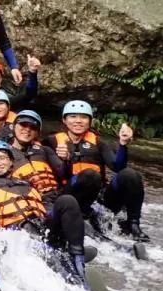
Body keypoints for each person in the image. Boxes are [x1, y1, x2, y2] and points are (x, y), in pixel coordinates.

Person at [0, 141, 112, 291]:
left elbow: (43, 207)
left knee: (67, 200)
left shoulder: (26, 183)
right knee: (51, 253)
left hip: (45, 230)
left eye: (2, 158)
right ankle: (78, 284)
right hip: (20, 237)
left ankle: (78, 262)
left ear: (11, 161)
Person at [45, 101, 149, 243]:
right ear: (64, 120)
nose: (78, 121)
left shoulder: (99, 143)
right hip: (70, 194)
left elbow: (117, 167)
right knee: (90, 175)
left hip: (98, 198)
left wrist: (123, 144)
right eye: (73, 117)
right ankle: (81, 219)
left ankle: (133, 224)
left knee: (130, 175)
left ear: (90, 121)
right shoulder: (51, 141)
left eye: (83, 117)